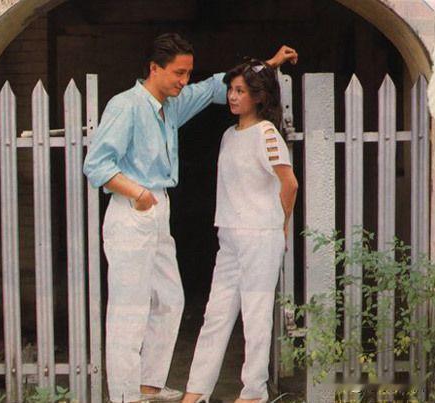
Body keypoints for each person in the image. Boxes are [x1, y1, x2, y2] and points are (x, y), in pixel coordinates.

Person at [83, 33, 298, 403]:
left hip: (157, 208)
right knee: (129, 308)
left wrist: (269, 64)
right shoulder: (126, 105)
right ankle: (124, 395)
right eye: (178, 73)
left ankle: (149, 384)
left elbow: (217, 87)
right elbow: (96, 166)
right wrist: (138, 194)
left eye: (187, 73)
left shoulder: (172, 106)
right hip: (133, 207)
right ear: (154, 68)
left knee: (170, 299)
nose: (184, 81)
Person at [181, 59, 298, 403]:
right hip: (230, 235)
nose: (232, 97)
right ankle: (196, 391)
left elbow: (289, 184)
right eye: (231, 90)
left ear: (258, 97)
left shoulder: (267, 133)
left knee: (256, 316)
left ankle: (253, 392)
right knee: (215, 316)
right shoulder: (228, 135)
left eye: (240, 91)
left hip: (260, 235)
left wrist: (281, 224)